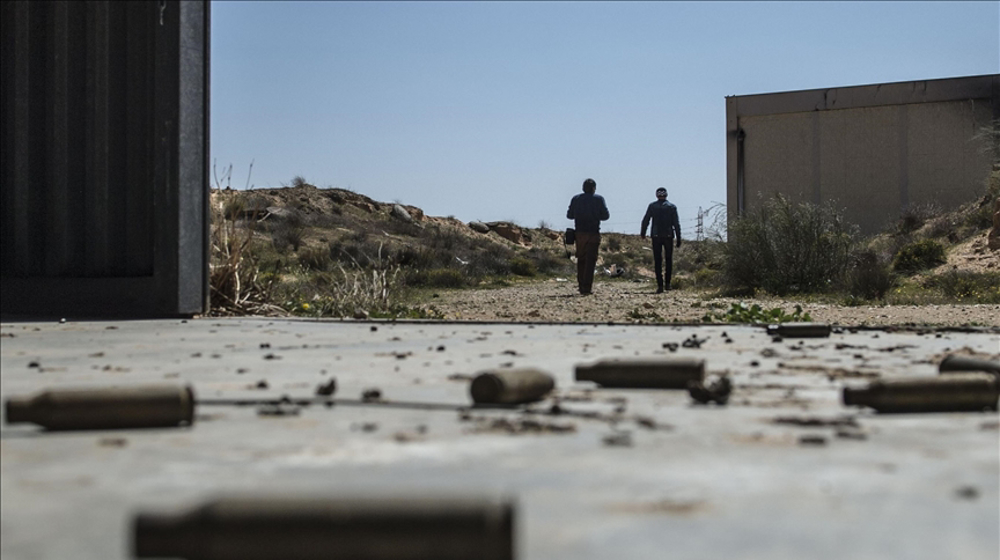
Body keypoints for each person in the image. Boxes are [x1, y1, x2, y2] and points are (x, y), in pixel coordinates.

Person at [566, 178, 610, 295]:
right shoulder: (599, 199)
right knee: (591, 261)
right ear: (594, 188)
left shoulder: (576, 199)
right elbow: (605, 216)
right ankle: (587, 287)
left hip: (580, 233)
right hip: (593, 233)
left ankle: (581, 286)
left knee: (581, 259)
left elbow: (569, 215)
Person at [640, 187, 681, 293]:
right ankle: (668, 283)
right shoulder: (672, 207)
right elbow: (676, 223)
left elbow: (646, 220)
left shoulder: (652, 206)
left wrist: (643, 233)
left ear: (657, 195)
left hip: (656, 235)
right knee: (668, 260)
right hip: (668, 235)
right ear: (666, 195)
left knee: (658, 260)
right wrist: (679, 237)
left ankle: (660, 285)